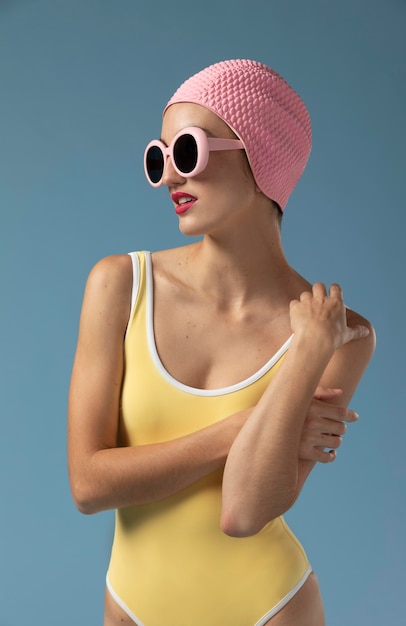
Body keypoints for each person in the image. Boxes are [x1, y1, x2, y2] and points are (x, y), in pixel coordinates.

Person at [68, 59, 375, 626]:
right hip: (132, 606)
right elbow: (88, 485)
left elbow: (243, 510)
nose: (169, 178)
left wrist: (308, 352)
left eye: (187, 152)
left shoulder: (337, 335)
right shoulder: (120, 286)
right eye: (158, 158)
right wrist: (240, 429)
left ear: (261, 156)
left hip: (270, 608)